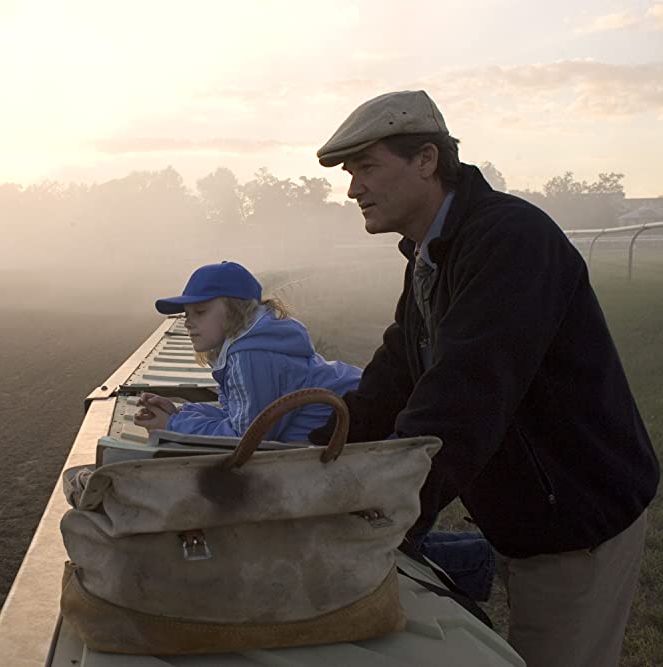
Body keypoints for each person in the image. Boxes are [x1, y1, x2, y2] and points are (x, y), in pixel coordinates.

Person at [310, 90, 658, 666]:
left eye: (367, 167)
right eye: (350, 173)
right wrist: (308, 457)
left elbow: (465, 394)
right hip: (527, 516)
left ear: (426, 160)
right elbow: (393, 375)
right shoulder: (433, 251)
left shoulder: (509, 238)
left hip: (575, 521)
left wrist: (389, 519)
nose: (353, 189)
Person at [133, 261, 362, 442]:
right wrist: (178, 413)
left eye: (200, 312)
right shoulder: (249, 348)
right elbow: (237, 417)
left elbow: (246, 438)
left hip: (373, 423)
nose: (188, 323)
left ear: (235, 311)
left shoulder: (252, 357)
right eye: (186, 314)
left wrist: (173, 426)